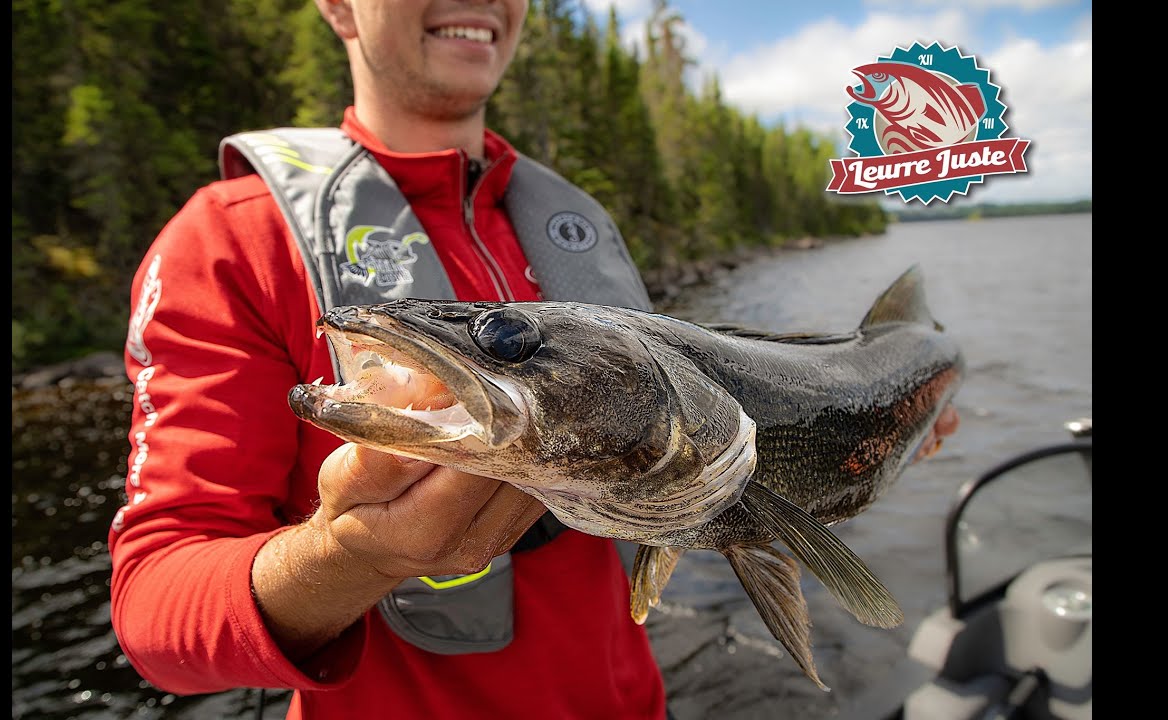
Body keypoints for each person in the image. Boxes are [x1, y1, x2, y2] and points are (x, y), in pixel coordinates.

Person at [107, 2, 959, 718]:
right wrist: (352, 556)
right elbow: (153, 617)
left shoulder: (571, 219)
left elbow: (682, 455)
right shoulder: (226, 242)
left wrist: (874, 439)